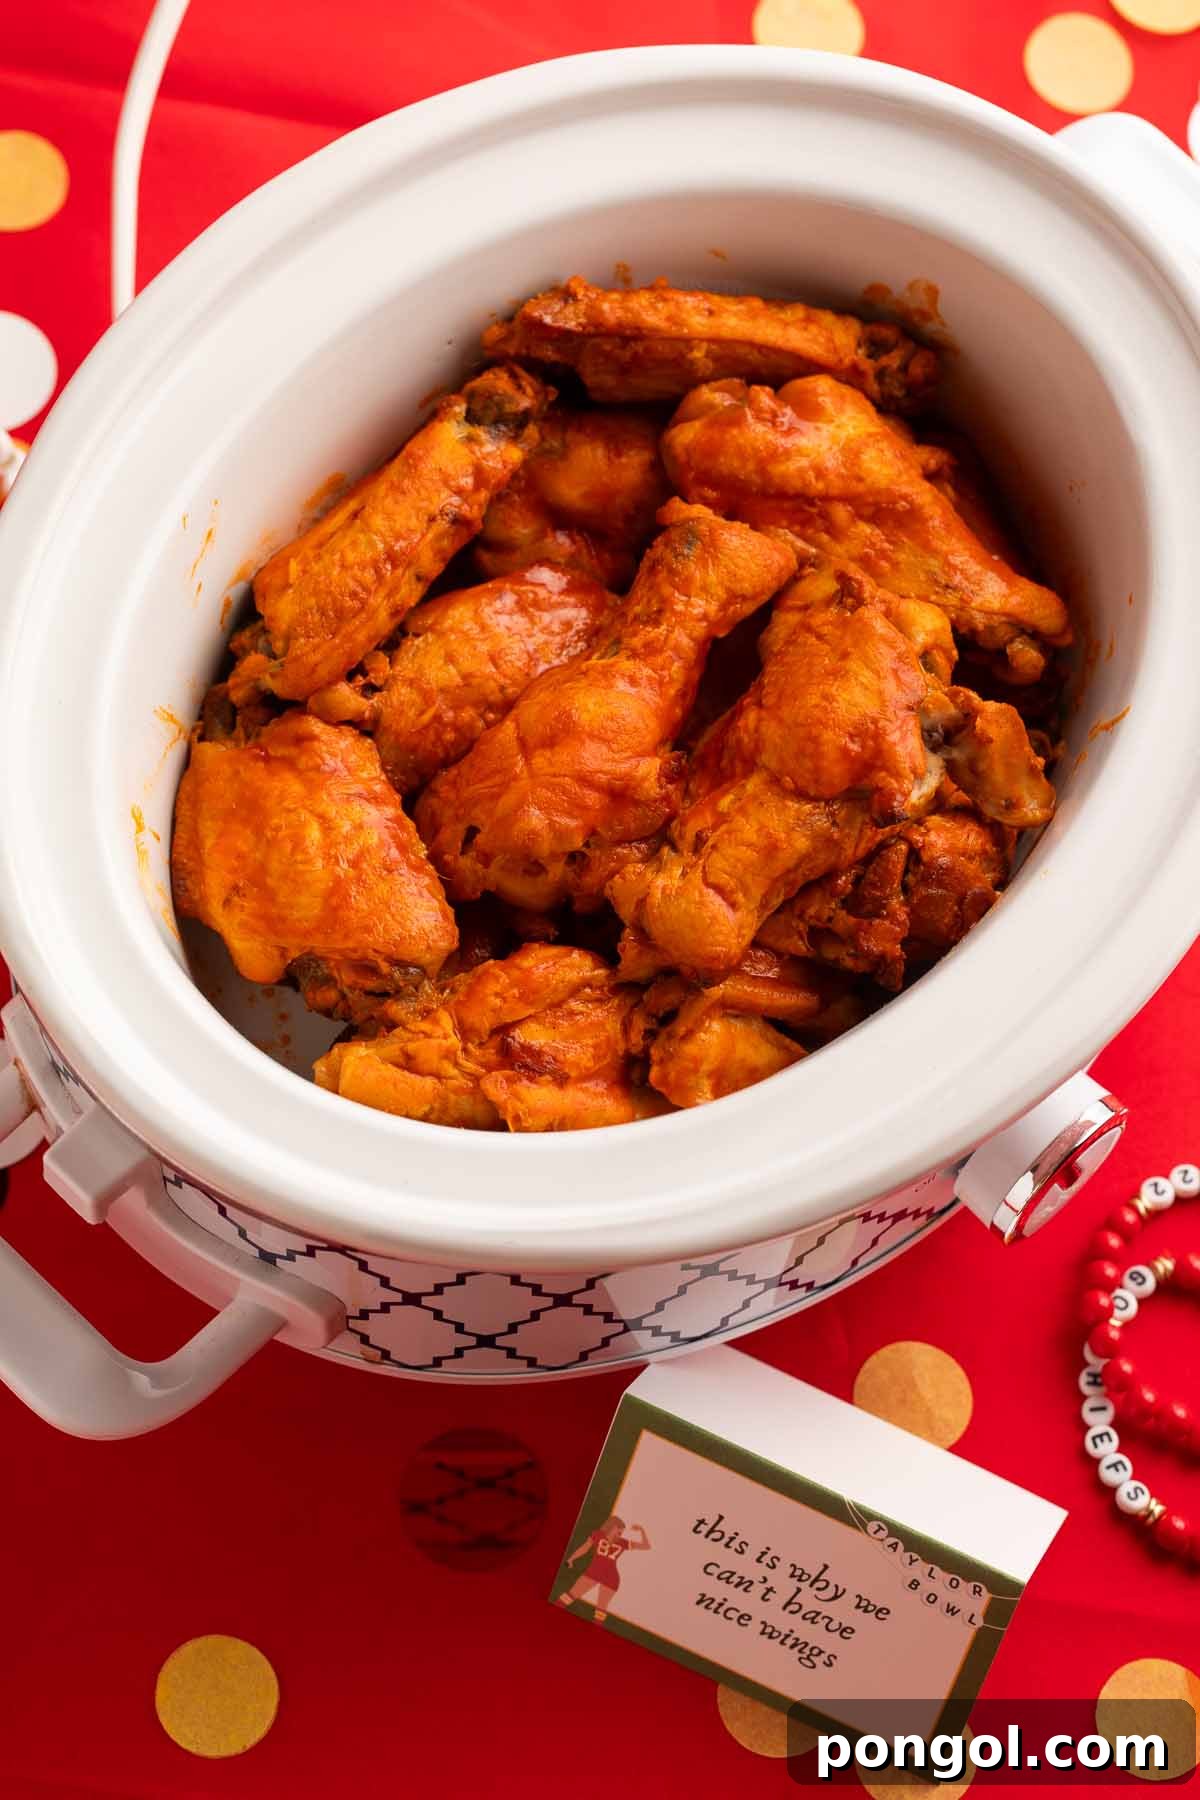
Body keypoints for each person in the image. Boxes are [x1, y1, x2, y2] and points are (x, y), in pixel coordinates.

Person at [556, 1514, 651, 1623]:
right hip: (593, 1572)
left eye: (622, 1532)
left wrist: (641, 1530)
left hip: (611, 1578)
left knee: (600, 1610)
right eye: (619, 1531)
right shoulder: (597, 1535)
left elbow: (646, 1546)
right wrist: (571, 1559)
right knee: (569, 1596)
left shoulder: (623, 1542)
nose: (620, 1534)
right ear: (612, 1527)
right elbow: (584, 1548)